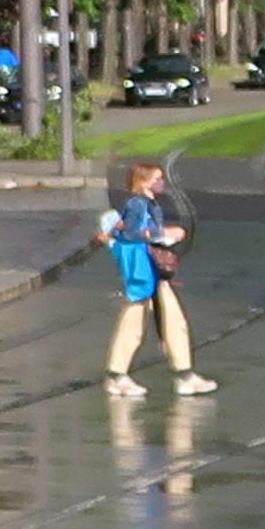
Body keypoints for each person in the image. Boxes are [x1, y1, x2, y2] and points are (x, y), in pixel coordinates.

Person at [101, 158, 211, 396]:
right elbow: (131, 234)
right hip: (143, 270)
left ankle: (183, 374)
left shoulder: (147, 204)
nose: (162, 183)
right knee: (135, 321)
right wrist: (164, 233)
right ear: (142, 183)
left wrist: (162, 236)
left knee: (171, 320)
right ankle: (118, 376)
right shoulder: (137, 204)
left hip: (151, 270)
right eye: (157, 179)